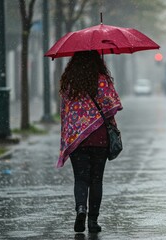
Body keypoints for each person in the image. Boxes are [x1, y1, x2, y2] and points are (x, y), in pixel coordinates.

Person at [57, 50, 123, 233]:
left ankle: (81, 209)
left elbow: (65, 112)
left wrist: (66, 137)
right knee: (96, 180)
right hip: (99, 138)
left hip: (77, 139)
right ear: (96, 60)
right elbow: (112, 107)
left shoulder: (70, 82)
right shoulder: (101, 79)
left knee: (80, 178)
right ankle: (93, 222)